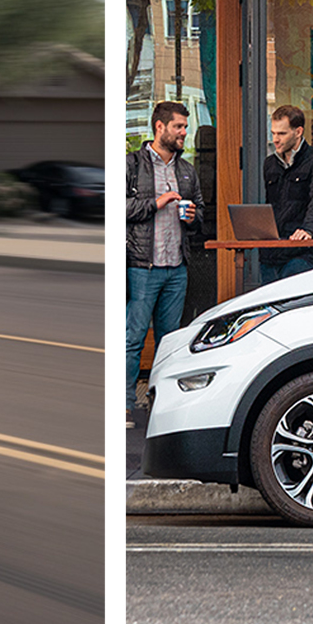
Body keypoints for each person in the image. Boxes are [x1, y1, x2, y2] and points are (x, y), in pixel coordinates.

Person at [125, 101, 203, 413]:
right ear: (160, 127)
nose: (185, 132)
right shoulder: (132, 165)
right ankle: (126, 403)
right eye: (179, 126)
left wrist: (193, 217)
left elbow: (199, 216)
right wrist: (156, 203)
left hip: (177, 269)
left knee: (169, 343)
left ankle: (161, 405)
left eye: (186, 126)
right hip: (143, 267)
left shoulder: (186, 170)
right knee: (133, 338)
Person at [260, 104, 313, 285]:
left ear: (298, 132)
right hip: (271, 253)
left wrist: (308, 229)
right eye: (273, 133)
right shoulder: (270, 164)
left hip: (301, 253)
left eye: (281, 134)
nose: (275, 139)